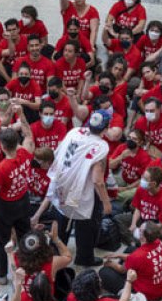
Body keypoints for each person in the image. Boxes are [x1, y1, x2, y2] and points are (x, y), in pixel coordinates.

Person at [39, 110, 113, 267]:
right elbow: (97, 180)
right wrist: (106, 202)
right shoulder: (101, 145)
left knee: (61, 220)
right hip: (82, 190)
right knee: (87, 226)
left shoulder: (74, 131)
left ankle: (56, 254)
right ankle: (84, 258)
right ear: (105, 129)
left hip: (62, 183)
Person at [0, 116, 35, 283]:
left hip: (5, 207)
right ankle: (28, 267)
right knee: (25, 236)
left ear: (1, 145)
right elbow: (29, 135)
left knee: (1, 241)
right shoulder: (25, 153)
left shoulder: (0, 168)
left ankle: (1, 275)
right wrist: (22, 114)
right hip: (23, 200)